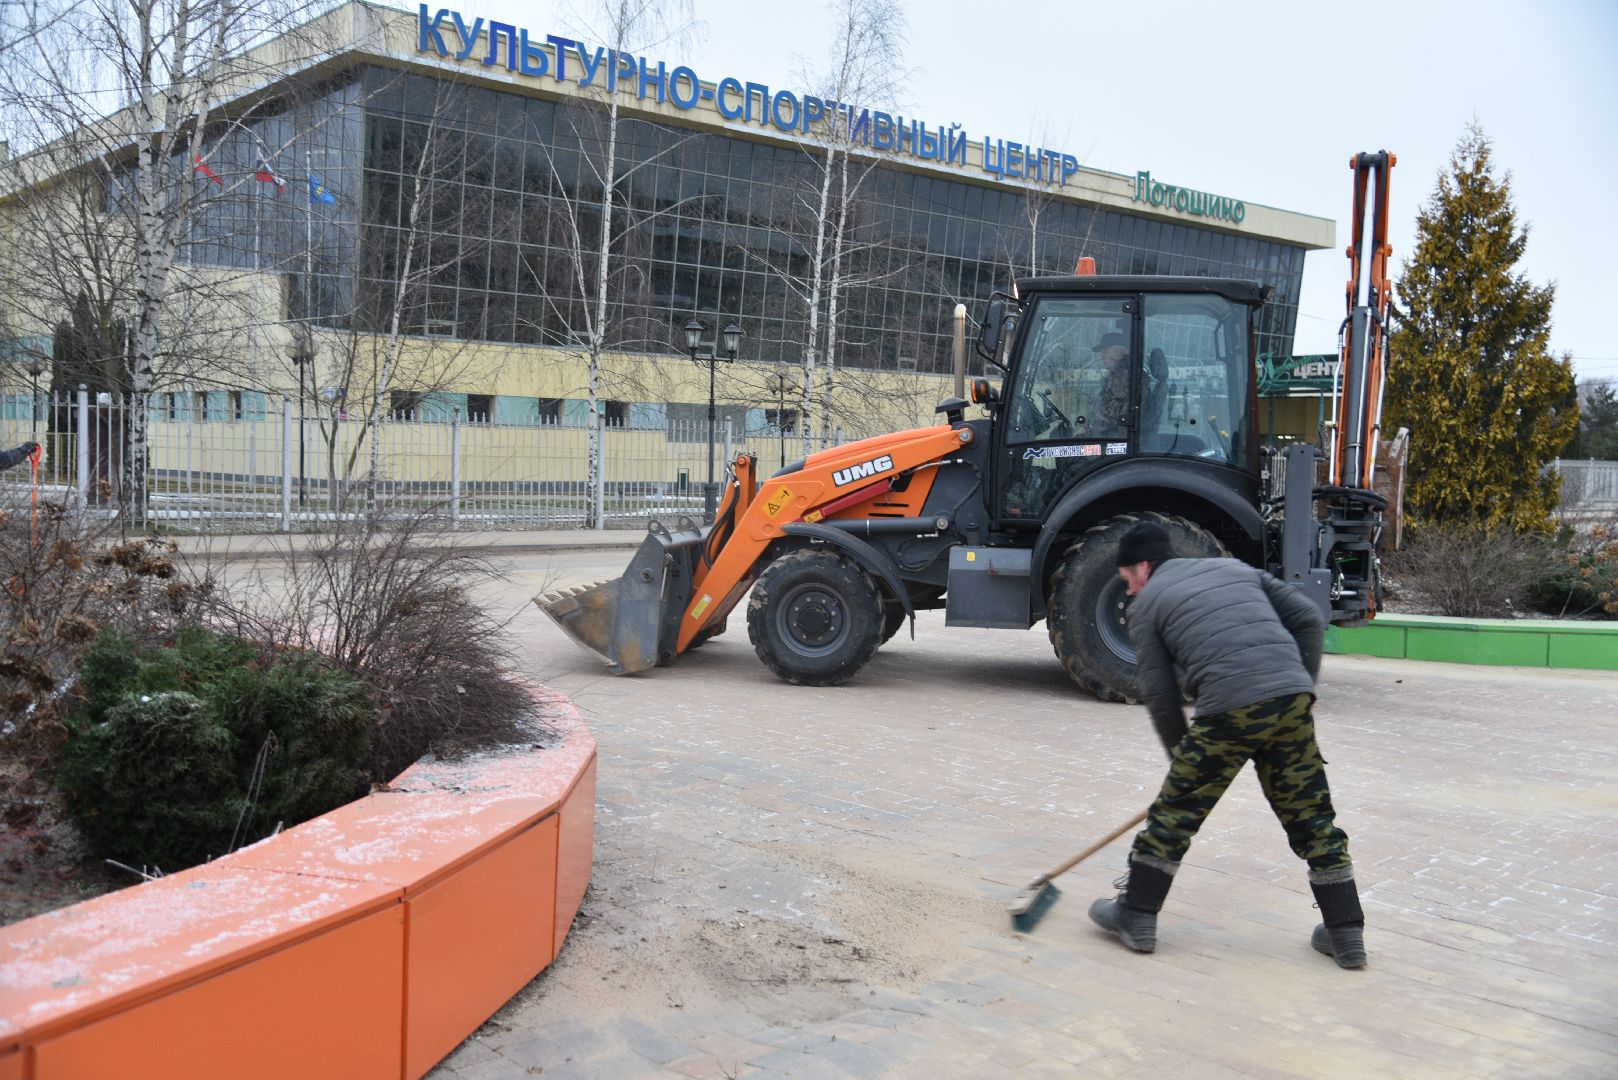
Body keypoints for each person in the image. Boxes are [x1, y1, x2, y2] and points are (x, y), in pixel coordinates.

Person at [1088, 520, 1367, 969]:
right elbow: (1310, 619)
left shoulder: (1147, 606)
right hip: (1290, 701)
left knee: (1174, 816)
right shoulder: (1235, 570)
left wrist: (1184, 769)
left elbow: (1160, 695)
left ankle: (1136, 914)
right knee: (1311, 814)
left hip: (1228, 708)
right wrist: (1301, 687)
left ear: (1142, 567)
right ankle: (1346, 933)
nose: (1131, 591)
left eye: (1127, 580)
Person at [1093, 333, 1132, 431]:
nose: (1102, 357)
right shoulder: (1116, 377)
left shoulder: (1122, 379)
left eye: (1105, 352)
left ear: (1119, 352)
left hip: (1112, 437)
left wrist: (1087, 429)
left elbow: (1111, 419)